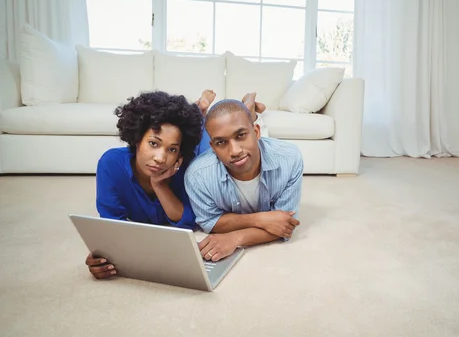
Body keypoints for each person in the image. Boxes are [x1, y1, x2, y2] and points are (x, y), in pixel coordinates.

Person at [85, 90, 267, 279]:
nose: (161, 158)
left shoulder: (191, 167)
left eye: (172, 149)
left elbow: (190, 222)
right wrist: (104, 256)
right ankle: (200, 108)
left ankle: (248, 108)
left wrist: (160, 186)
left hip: (198, 148)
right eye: (154, 144)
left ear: (180, 153)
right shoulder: (110, 164)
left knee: (219, 133)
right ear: (137, 139)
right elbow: (112, 224)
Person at [184, 99, 303, 263]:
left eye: (241, 135)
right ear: (212, 147)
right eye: (221, 142)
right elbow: (210, 222)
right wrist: (260, 219)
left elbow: (284, 225)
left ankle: (249, 103)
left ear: (257, 131)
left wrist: (235, 238)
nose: (235, 151)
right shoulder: (197, 175)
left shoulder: (290, 158)